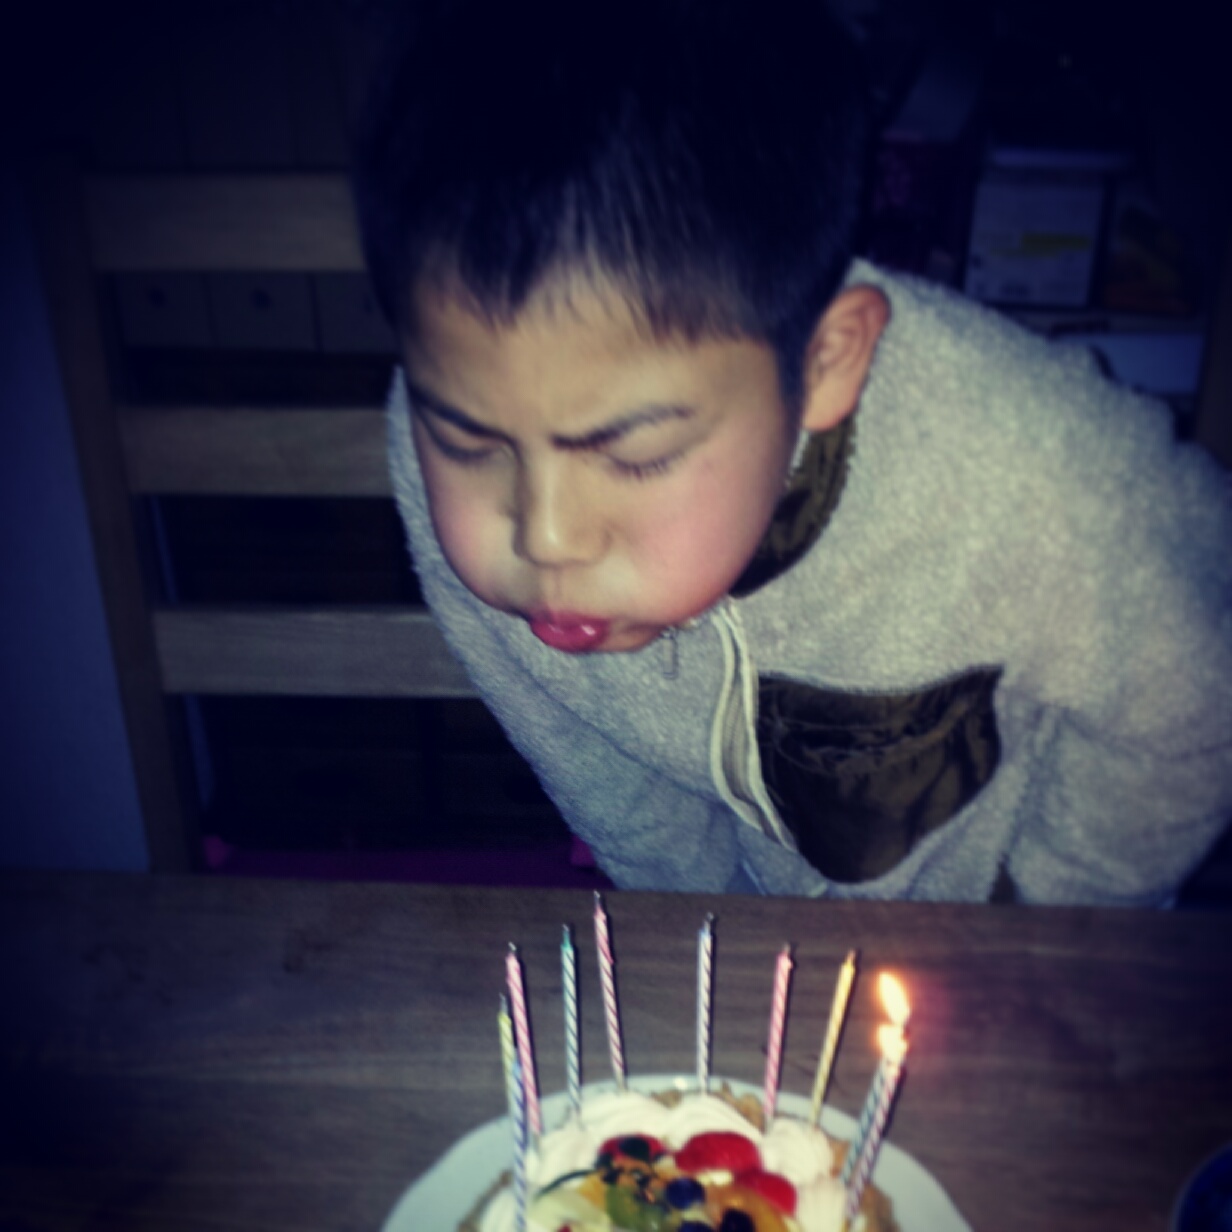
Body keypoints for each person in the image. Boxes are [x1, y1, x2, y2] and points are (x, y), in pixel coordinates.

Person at [350, 0, 1232, 904]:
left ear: (824, 363)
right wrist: (705, 926)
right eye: (468, 441)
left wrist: (1042, 922)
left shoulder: (1038, 481)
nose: (545, 537)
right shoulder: (432, 445)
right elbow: (599, 770)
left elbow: (1203, 695)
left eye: (639, 454)